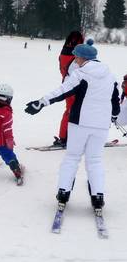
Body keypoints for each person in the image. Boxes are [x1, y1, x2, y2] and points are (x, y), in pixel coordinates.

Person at [25, 39, 120, 211]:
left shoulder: (81, 74)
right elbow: (115, 101)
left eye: (76, 57)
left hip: (80, 123)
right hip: (101, 125)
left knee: (72, 157)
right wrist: (113, 115)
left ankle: (63, 193)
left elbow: (62, 91)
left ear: (84, 58)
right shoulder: (110, 76)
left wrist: (41, 102)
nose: (75, 60)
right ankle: (98, 197)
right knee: (95, 160)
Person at [53, 31, 84, 148]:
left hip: (67, 84)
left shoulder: (64, 51)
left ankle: (65, 136)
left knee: (70, 111)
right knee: (72, 112)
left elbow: (62, 69)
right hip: (74, 86)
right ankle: (65, 138)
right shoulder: (77, 55)